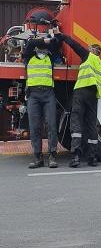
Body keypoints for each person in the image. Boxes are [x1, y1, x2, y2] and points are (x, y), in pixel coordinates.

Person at [55, 32, 101, 168]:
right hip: (93, 96)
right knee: (91, 126)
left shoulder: (88, 56)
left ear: (93, 51)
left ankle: (76, 156)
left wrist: (61, 36)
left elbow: (74, 45)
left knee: (76, 122)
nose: (88, 49)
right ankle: (92, 157)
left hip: (81, 92)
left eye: (90, 48)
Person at [24, 36, 60, 169]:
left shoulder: (50, 58)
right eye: (40, 46)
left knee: (52, 125)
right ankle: (38, 158)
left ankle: (52, 156)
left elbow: (57, 43)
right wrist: (42, 40)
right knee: (35, 128)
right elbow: (30, 43)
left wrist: (51, 39)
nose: (42, 49)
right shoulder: (28, 57)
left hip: (48, 94)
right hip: (33, 95)